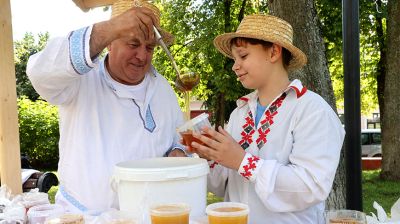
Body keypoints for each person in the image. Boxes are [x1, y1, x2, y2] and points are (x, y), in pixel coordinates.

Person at [27, 0, 186, 214]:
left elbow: (178, 137)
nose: (142, 56)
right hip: (83, 217)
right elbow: (39, 73)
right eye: (133, 44)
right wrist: (111, 28)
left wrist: (177, 150)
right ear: (109, 43)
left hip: (148, 215)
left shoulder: (163, 89)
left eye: (149, 47)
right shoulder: (80, 80)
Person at [190, 14, 345, 223]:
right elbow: (222, 186)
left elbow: (311, 187)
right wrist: (208, 155)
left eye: (243, 56)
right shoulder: (239, 113)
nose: (235, 66)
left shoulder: (313, 110)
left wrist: (244, 162)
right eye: (234, 59)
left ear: (273, 52)